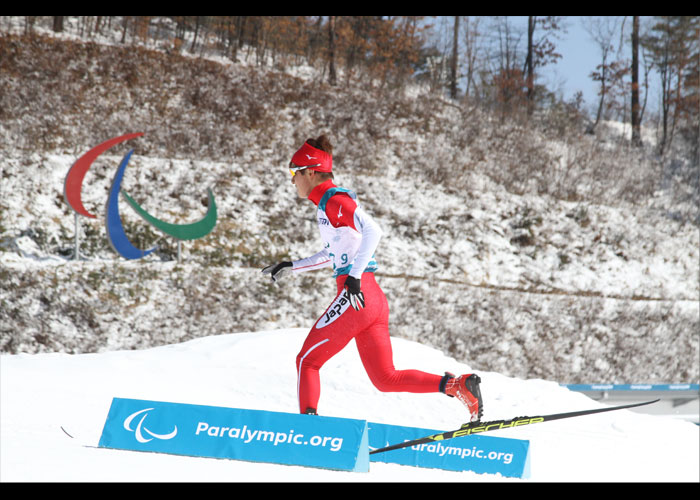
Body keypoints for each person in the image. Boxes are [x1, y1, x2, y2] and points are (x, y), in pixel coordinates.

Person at [262, 134, 483, 422]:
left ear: (311, 172)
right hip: (372, 298)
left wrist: (353, 279)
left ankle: (308, 432)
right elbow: (334, 253)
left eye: (294, 172)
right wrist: (292, 265)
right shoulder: (327, 204)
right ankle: (457, 386)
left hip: (357, 294)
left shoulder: (333, 200)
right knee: (385, 378)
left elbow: (374, 231)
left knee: (307, 361)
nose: (292, 180)